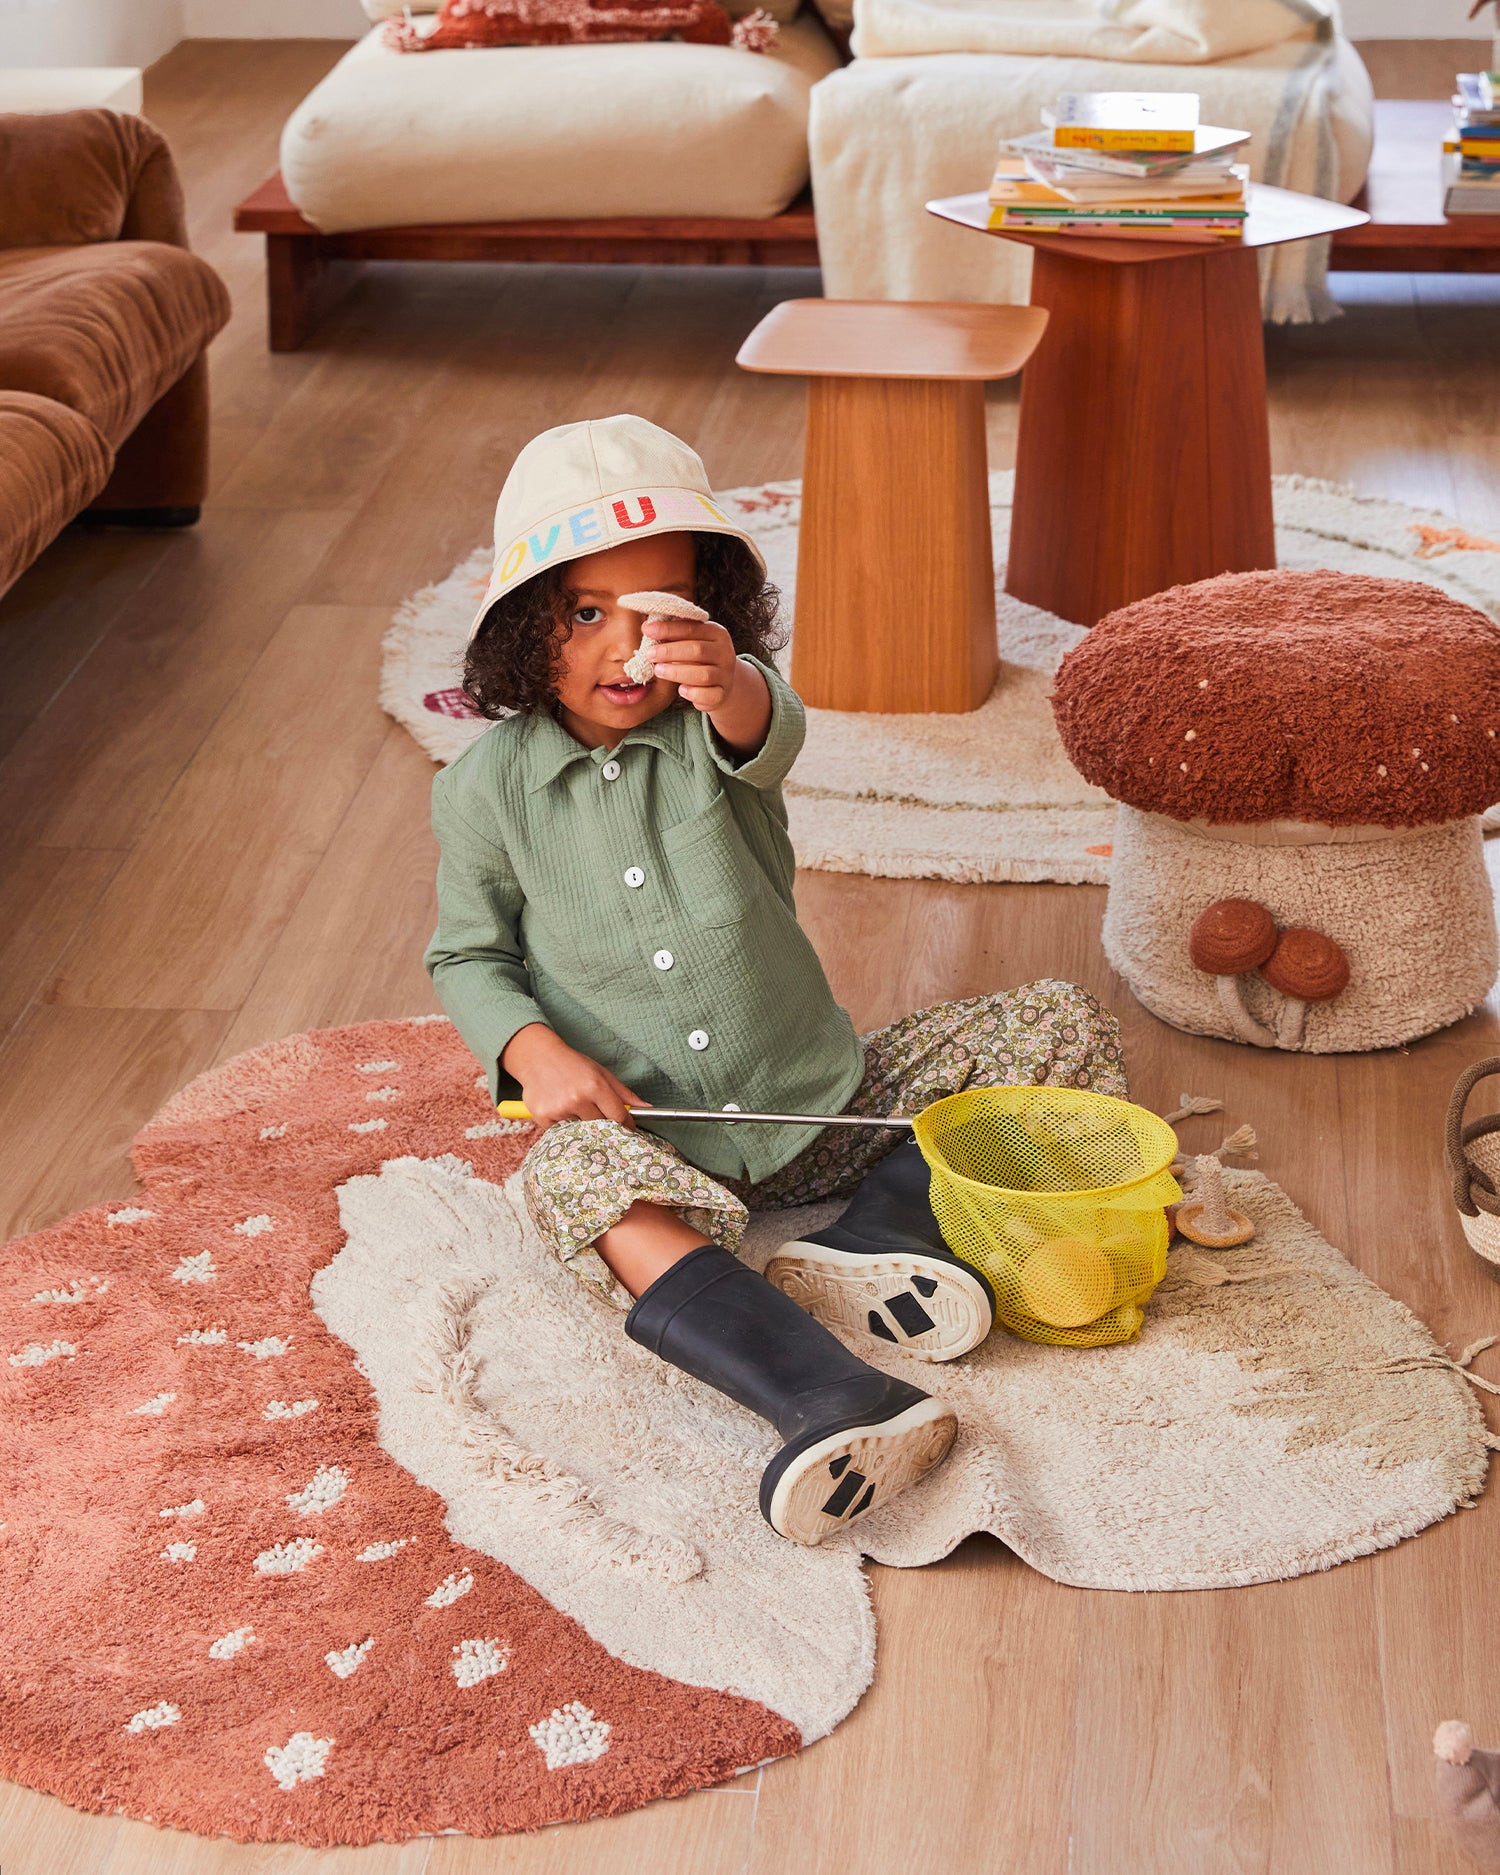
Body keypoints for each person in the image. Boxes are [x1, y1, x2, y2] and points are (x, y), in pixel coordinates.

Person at [425, 414, 1128, 1545]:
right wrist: (530, 1048)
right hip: (662, 1136)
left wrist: (731, 679)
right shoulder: (482, 795)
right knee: (565, 1180)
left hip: (822, 1098)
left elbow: (767, 728)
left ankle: (868, 1251)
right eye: (587, 613)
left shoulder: (722, 723)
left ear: (710, 616)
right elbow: (468, 955)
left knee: (1055, 1023)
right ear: (523, 626)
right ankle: (823, 1391)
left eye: (662, 612)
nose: (628, 649)